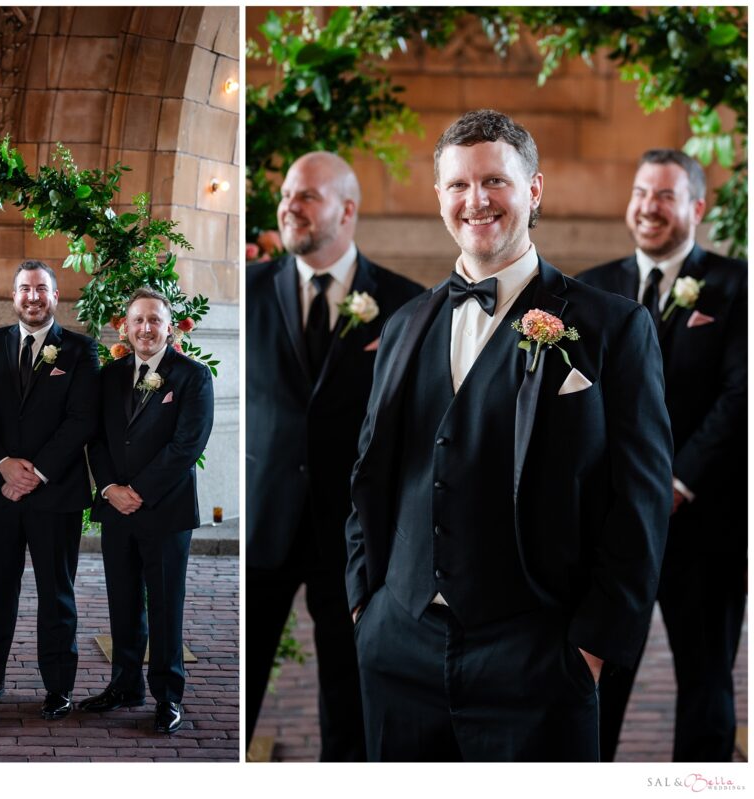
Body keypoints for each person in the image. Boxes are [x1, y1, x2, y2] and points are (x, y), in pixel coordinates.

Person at [345, 109, 674, 761]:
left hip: (539, 655)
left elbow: (639, 502)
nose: (477, 200)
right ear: (439, 196)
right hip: (398, 648)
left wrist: (590, 648)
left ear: (533, 190)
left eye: (495, 180)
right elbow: (369, 475)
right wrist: (366, 608)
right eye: (459, 185)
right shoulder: (405, 324)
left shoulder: (613, 327)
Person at [245, 151, 423, 760]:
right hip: (264, 522)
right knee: (241, 685)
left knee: (348, 699)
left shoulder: (404, 303)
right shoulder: (247, 290)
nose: (290, 207)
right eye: (288, 195)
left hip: (352, 534)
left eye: (307, 197)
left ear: (347, 211)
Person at [577, 149, 747, 761]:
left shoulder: (737, 287)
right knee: (599, 672)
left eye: (666, 195)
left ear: (697, 207)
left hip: (702, 523)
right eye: (642, 192)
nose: (649, 207)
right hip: (611, 526)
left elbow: (739, 397)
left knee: (706, 677)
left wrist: (677, 482)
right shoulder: (592, 287)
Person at [80, 287, 214, 734]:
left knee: (165, 605)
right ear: (125, 326)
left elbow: (187, 445)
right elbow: (94, 439)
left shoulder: (193, 377)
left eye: (155, 319)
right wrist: (111, 489)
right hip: (117, 508)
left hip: (165, 511)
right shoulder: (110, 375)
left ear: (169, 326)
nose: (146, 328)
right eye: (138, 320)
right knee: (121, 601)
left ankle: (167, 695)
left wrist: (139, 489)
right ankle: (124, 685)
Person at [0, 260, 100, 720]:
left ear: (55, 294)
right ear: (13, 296)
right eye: (24, 289)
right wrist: (3, 465)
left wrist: (37, 472)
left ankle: (59, 687)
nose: (32, 297)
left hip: (56, 495)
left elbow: (82, 419)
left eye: (41, 289)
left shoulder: (82, 351)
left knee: (57, 593)